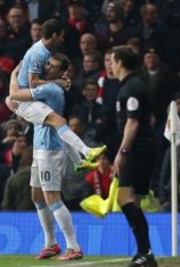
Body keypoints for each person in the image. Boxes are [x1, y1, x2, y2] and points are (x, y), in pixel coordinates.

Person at [10, 53, 83, 261]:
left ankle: (73, 247)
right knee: (37, 195)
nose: (48, 67)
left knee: (52, 197)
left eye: (53, 66)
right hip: (39, 147)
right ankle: (51, 243)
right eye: (48, 64)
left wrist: (13, 75)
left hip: (50, 149)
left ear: (61, 73)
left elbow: (15, 94)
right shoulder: (50, 85)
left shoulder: (52, 89)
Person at [6, 19, 106, 170]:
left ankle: (79, 162)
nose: (62, 39)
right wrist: (57, 81)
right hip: (24, 99)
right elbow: (32, 82)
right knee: (59, 122)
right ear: (54, 35)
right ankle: (87, 151)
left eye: (52, 66)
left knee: (58, 125)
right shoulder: (39, 53)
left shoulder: (43, 52)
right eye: (61, 36)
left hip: (27, 98)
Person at [110, 45, 157, 267]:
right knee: (135, 201)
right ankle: (143, 255)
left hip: (137, 152)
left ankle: (145, 253)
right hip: (144, 149)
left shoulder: (131, 88)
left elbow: (134, 122)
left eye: (111, 60)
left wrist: (122, 153)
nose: (109, 64)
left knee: (124, 198)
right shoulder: (137, 85)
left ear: (119, 62)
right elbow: (150, 118)